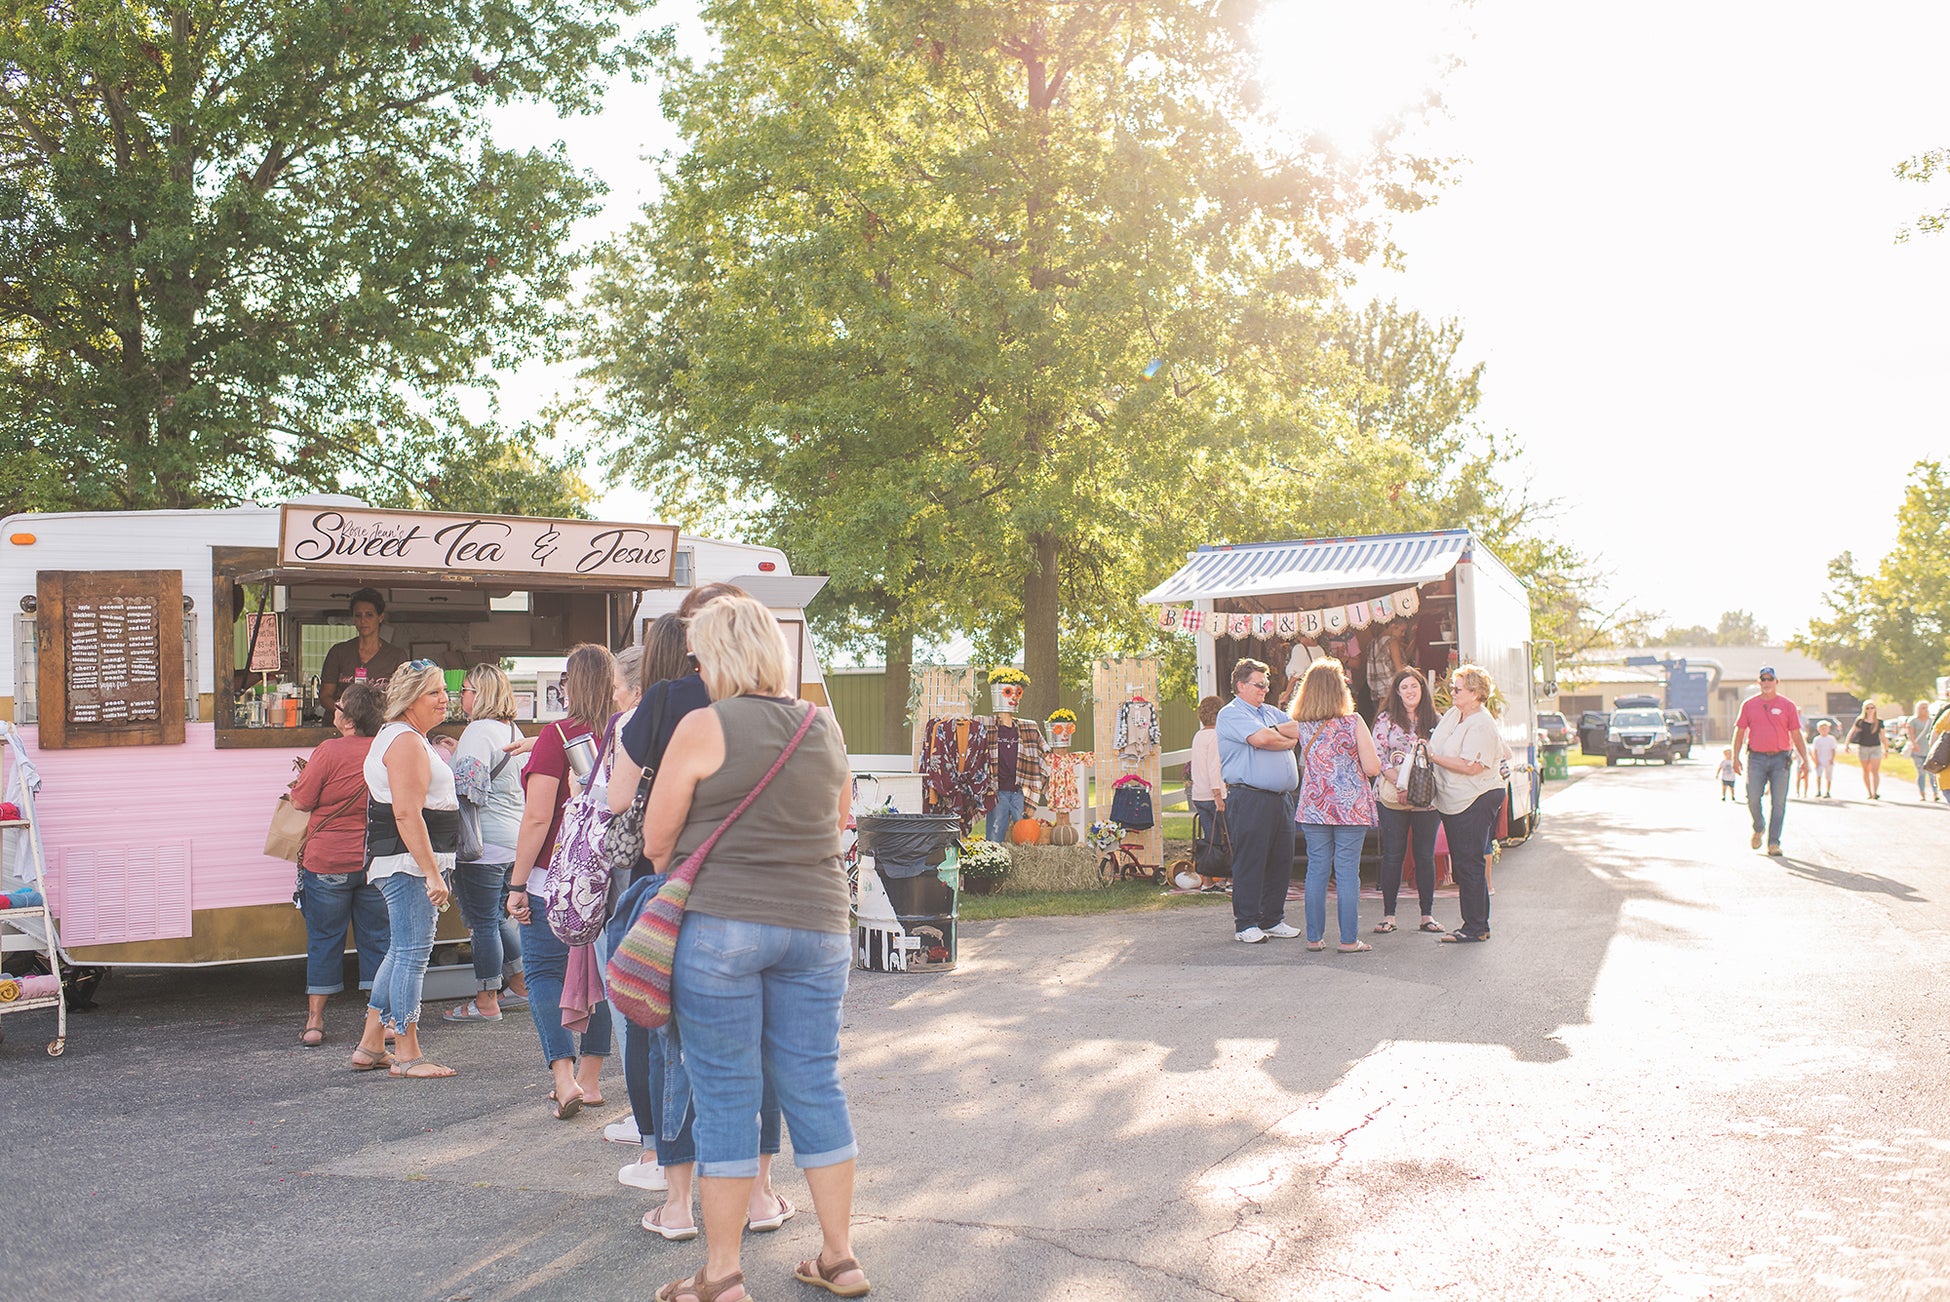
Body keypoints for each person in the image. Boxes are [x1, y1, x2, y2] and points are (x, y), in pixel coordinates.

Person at [640, 596, 867, 1302]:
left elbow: (654, 842)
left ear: (719, 659)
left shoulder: (704, 726)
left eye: (701, 658)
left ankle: (723, 1275)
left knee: (728, 1094)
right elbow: (837, 822)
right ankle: (839, 1257)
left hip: (722, 925)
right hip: (820, 924)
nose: (699, 671)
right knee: (815, 1083)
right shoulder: (823, 726)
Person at [610, 597, 792, 1238]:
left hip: (685, 899)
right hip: (770, 898)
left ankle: (679, 1207)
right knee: (760, 1047)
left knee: (677, 1048)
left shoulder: (665, 705)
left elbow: (633, 817)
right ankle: (763, 1197)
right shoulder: (796, 719)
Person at [508, 643, 615, 1118]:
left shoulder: (557, 735)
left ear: (570, 684)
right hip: (607, 874)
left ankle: (564, 1078)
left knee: (545, 973)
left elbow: (536, 819)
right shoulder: (623, 731)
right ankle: (591, 1081)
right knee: (601, 976)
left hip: (553, 877)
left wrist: (514, 885)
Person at [349, 661, 458, 1078]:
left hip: (402, 861)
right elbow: (407, 813)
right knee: (413, 954)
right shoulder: (408, 742)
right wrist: (432, 873)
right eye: (434, 692)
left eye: (444, 689)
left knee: (400, 951)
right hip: (409, 864)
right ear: (411, 698)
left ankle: (371, 1044)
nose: (444, 698)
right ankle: (408, 1054)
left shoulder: (400, 736)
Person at [288, 683, 389, 1047]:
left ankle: (315, 1021)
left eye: (340, 705)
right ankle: (384, 1023)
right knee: (377, 941)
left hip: (328, 861)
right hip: (375, 861)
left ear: (348, 718)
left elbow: (300, 802)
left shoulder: (328, 751)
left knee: (324, 940)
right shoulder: (386, 750)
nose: (334, 708)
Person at [442, 664, 529, 1024]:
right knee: (500, 917)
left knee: (482, 924)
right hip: (514, 840)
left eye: (465, 689)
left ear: (480, 695)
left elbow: (469, 791)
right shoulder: (511, 728)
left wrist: (446, 765)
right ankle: (521, 984)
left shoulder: (477, 730)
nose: (460, 695)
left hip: (483, 843)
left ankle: (486, 999)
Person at [1289, 659, 1382, 954]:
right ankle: (1348, 940)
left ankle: (1314, 938)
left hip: (1314, 805)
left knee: (1316, 870)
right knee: (1346, 872)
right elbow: (1371, 766)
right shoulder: (1353, 722)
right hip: (1349, 806)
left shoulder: (1301, 726)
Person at [1215, 658, 1302, 945]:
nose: (1265, 689)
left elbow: (1297, 732)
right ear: (1240, 686)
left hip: (1281, 799)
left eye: (1267, 684)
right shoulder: (1230, 714)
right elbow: (1262, 739)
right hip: (1250, 797)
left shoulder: (1270, 712)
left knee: (1281, 860)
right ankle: (1247, 922)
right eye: (1259, 684)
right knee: (1251, 860)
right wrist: (1278, 737)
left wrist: (1276, 735)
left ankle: (1272, 919)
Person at [1429, 664, 1505, 945]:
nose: (1451, 691)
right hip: (1456, 799)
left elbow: (1471, 766)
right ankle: (1474, 923)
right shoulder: (1454, 715)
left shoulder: (1481, 723)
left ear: (1475, 693)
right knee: (1465, 862)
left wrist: (1433, 758)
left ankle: (1475, 926)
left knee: (1470, 862)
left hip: (1475, 797)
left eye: (1457, 688)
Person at [1372, 667, 1443, 933]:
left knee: (1425, 855)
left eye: (1414, 686)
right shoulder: (1386, 720)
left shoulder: (1436, 720)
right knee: (1393, 854)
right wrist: (1399, 782)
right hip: (1392, 795)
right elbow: (1376, 753)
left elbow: (1443, 754)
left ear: (1422, 689)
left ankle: (1427, 915)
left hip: (1427, 799)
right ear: (1397, 692)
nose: (1410, 691)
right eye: (1405, 687)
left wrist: (1414, 786)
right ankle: (1389, 915)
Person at [1732, 666, 1810, 856]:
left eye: (1770, 679)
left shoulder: (1787, 705)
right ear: (1758, 683)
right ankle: (1759, 827)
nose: (1766, 683)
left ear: (1777, 682)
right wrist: (1735, 757)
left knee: (1779, 802)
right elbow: (1740, 731)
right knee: (1752, 797)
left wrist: (1805, 759)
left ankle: (1773, 843)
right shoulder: (1749, 705)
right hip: (1756, 757)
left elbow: (1796, 734)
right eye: (1763, 680)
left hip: (1780, 759)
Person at [318, 588, 408, 715]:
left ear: (380, 617)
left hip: (378, 728)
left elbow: (402, 698)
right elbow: (325, 696)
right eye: (358, 615)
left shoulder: (396, 656)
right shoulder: (338, 652)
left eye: (369, 615)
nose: (363, 620)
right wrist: (345, 714)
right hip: (340, 727)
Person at [1188, 695, 1226, 852]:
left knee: (1210, 840)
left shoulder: (1198, 735)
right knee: (1229, 837)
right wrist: (1218, 796)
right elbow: (1214, 768)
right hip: (1214, 796)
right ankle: (1228, 874)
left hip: (1199, 795)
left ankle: (1208, 874)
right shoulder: (1216, 736)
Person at [1908, 700, 1943, 801]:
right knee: (1921, 773)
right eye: (1923, 708)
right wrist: (1914, 744)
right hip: (1918, 750)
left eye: (1926, 707)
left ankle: (1935, 793)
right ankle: (1922, 793)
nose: (1925, 710)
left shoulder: (1932, 720)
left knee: (1932, 773)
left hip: (1930, 750)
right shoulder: (1913, 720)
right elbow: (1911, 734)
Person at [1846, 703, 1883, 800]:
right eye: (1868, 708)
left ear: (1875, 709)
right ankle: (1869, 792)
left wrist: (1886, 749)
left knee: (1875, 770)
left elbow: (1883, 736)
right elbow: (1852, 732)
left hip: (1876, 747)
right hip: (1863, 747)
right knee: (1866, 770)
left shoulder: (1879, 722)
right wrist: (1847, 744)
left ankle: (1875, 792)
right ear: (1864, 709)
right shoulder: (1860, 721)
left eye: (1872, 708)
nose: (1870, 710)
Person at [1810, 721, 1839, 799]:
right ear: (1818, 729)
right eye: (1822, 728)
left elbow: (1833, 750)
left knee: (1828, 776)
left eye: (1825, 728)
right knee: (1818, 775)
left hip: (1828, 759)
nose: (1824, 730)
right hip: (1820, 759)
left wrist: (1832, 759)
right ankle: (1818, 790)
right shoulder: (1817, 739)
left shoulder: (1831, 739)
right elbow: (1814, 751)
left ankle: (1827, 791)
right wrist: (1816, 760)